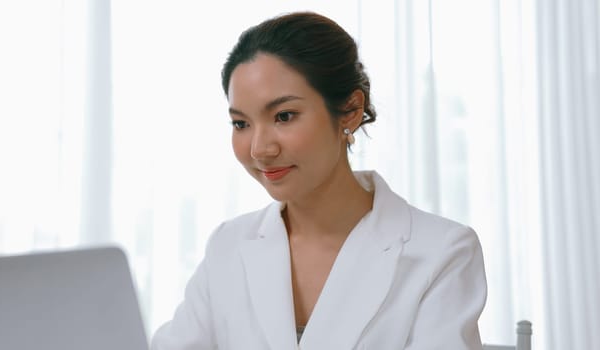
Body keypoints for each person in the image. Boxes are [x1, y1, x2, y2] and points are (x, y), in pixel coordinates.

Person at [151, 11, 486, 350]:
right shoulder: (228, 245)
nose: (259, 149)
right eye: (241, 124)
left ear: (351, 110)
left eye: (284, 116)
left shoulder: (442, 252)